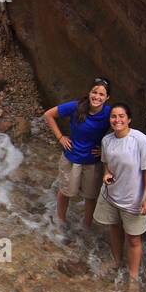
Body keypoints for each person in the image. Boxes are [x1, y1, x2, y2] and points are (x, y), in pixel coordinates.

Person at [93, 103, 146, 288]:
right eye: (113, 116)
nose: (117, 120)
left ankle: (133, 278)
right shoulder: (107, 141)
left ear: (129, 119)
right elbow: (107, 164)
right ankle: (116, 261)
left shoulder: (141, 140)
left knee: (134, 238)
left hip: (133, 199)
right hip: (111, 195)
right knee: (114, 227)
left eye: (121, 116)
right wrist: (106, 174)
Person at [43, 77, 112, 229]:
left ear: (107, 98)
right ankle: (60, 220)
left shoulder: (109, 114)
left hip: (93, 161)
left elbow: (120, 131)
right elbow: (49, 114)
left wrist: (105, 150)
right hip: (72, 158)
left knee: (90, 195)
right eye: (94, 92)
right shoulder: (76, 106)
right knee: (66, 191)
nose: (97, 97)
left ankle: (86, 225)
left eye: (101, 94)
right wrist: (60, 137)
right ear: (89, 93)